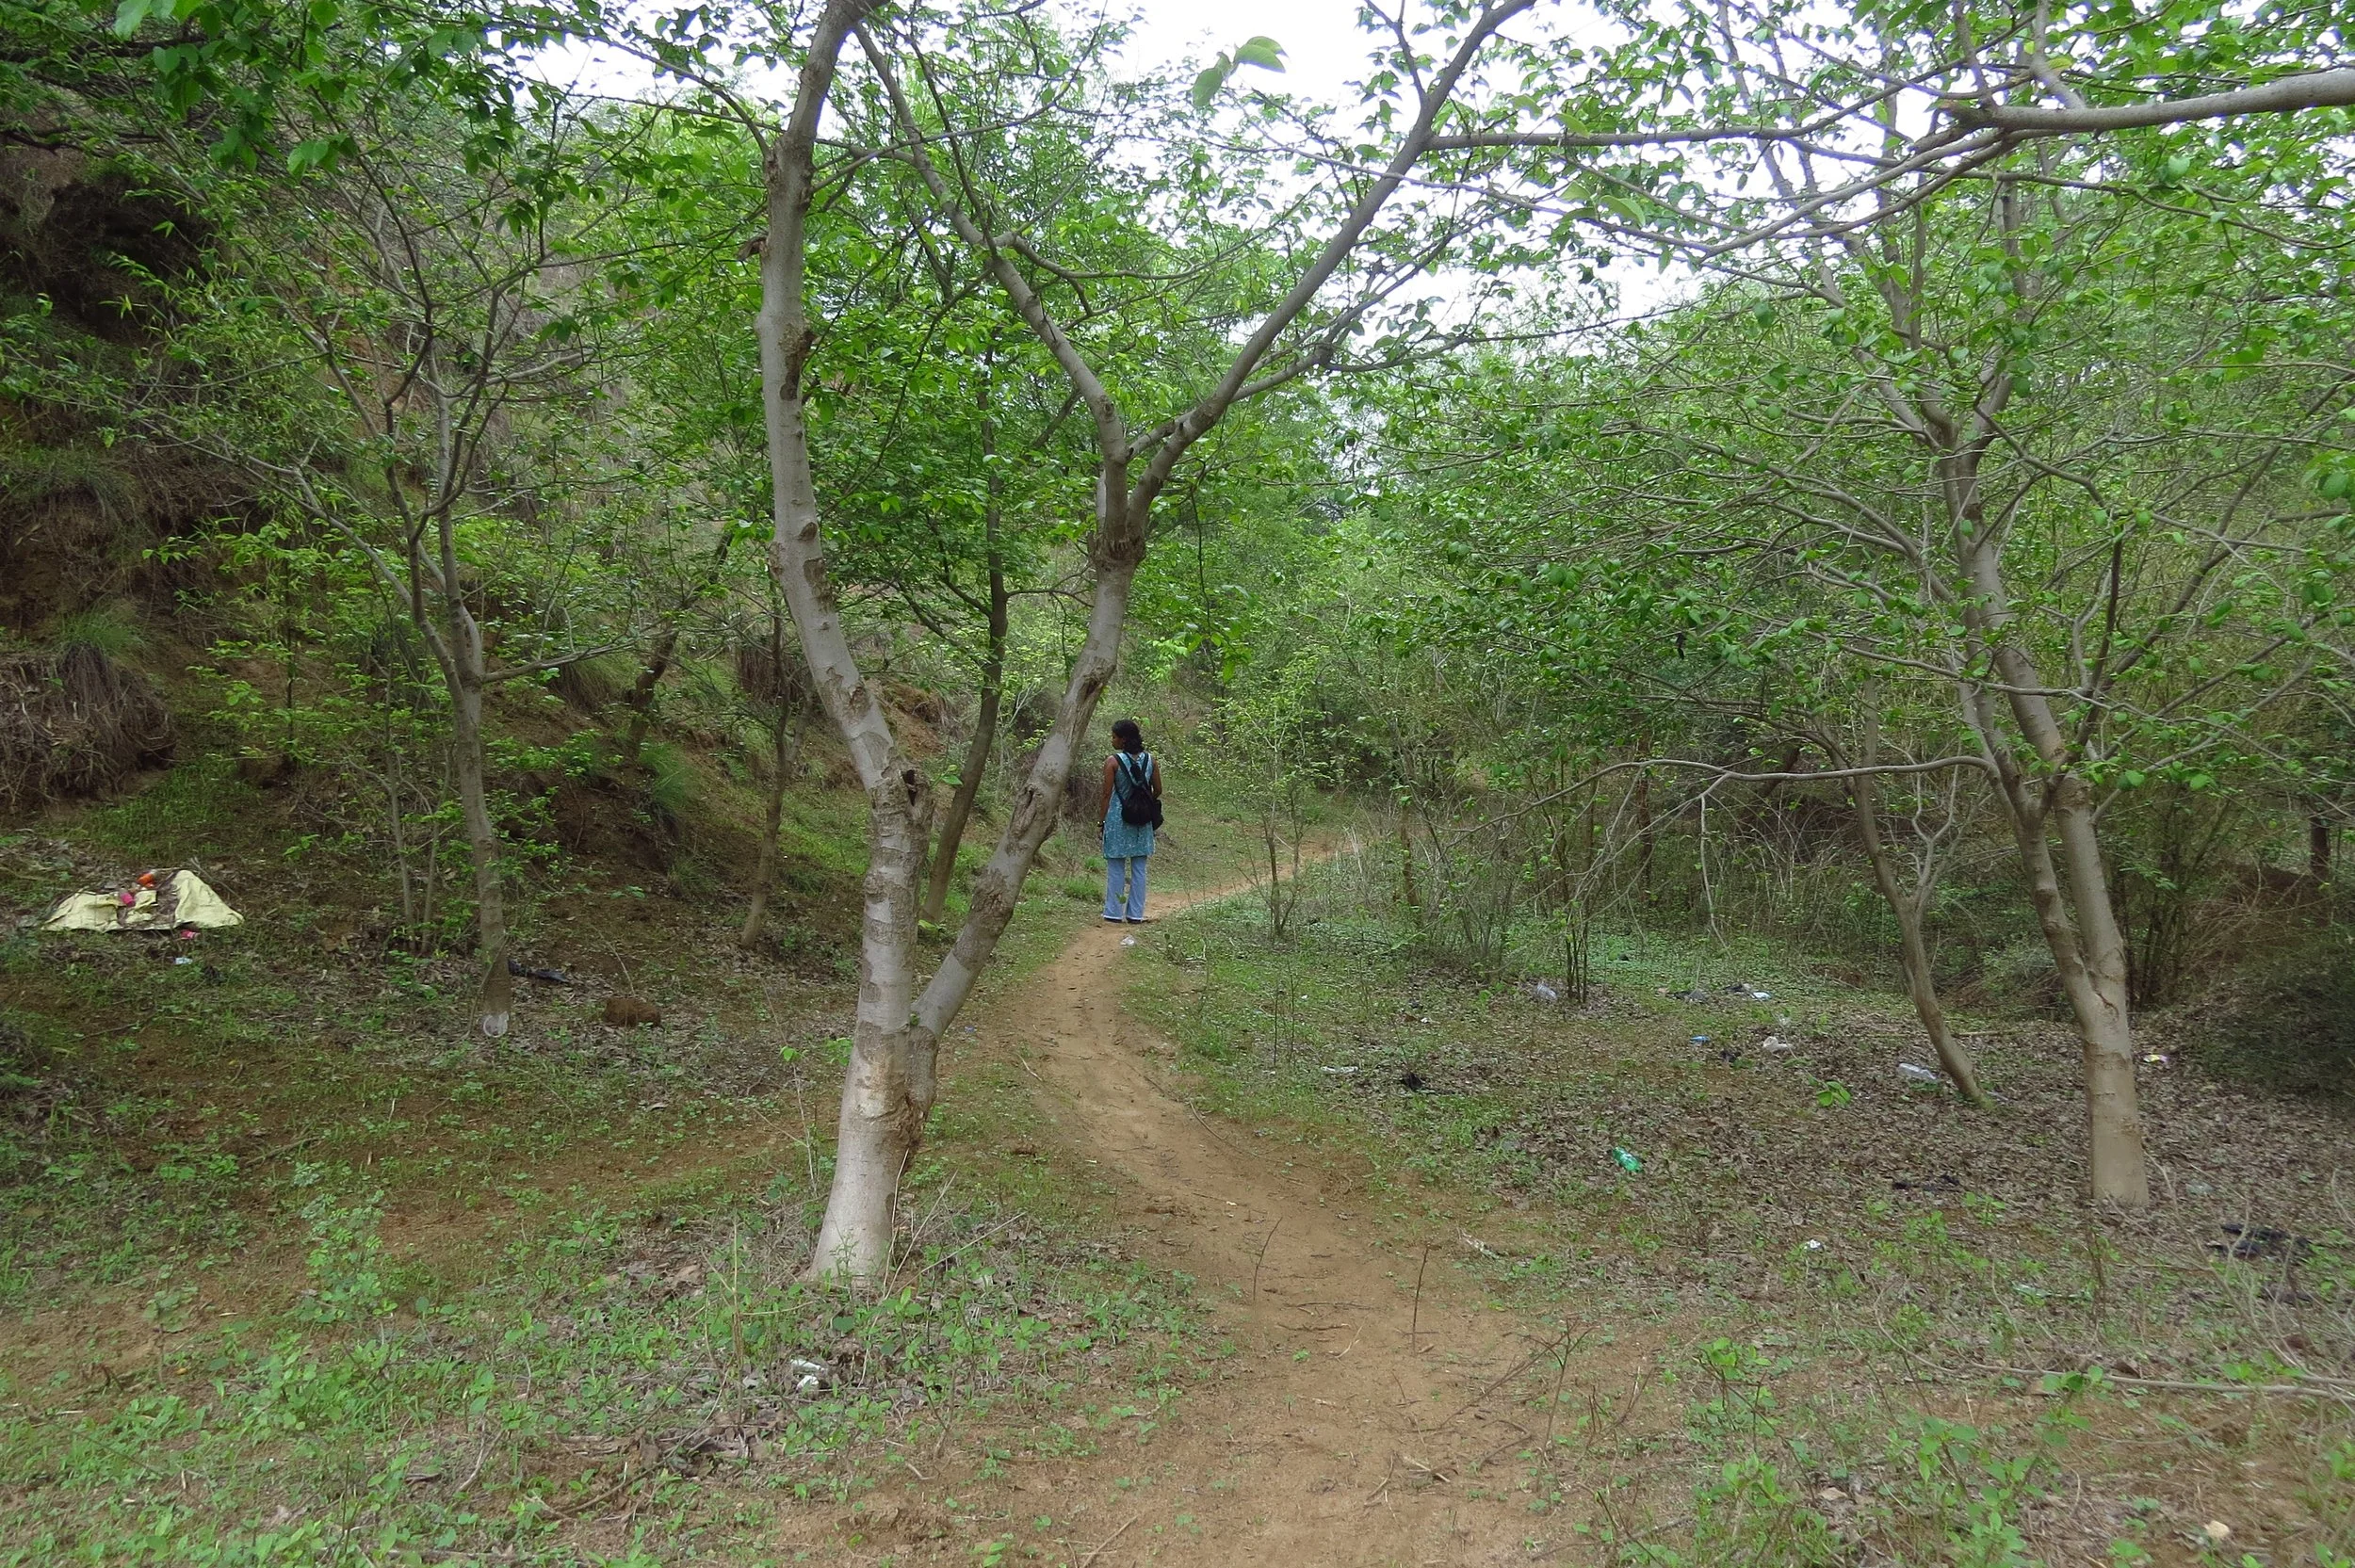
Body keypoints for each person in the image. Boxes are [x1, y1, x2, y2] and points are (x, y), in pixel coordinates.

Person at [1100, 718, 1161, 923]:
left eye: (1114, 737)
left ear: (1124, 739)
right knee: (1139, 868)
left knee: (1116, 866)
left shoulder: (1112, 762)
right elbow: (1159, 789)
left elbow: (1106, 794)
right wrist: (1144, 803)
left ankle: (1113, 912)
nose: (1112, 740)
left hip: (1118, 817)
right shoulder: (1151, 760)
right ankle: (1135, 914)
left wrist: (1101, 821)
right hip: (1142, 820)